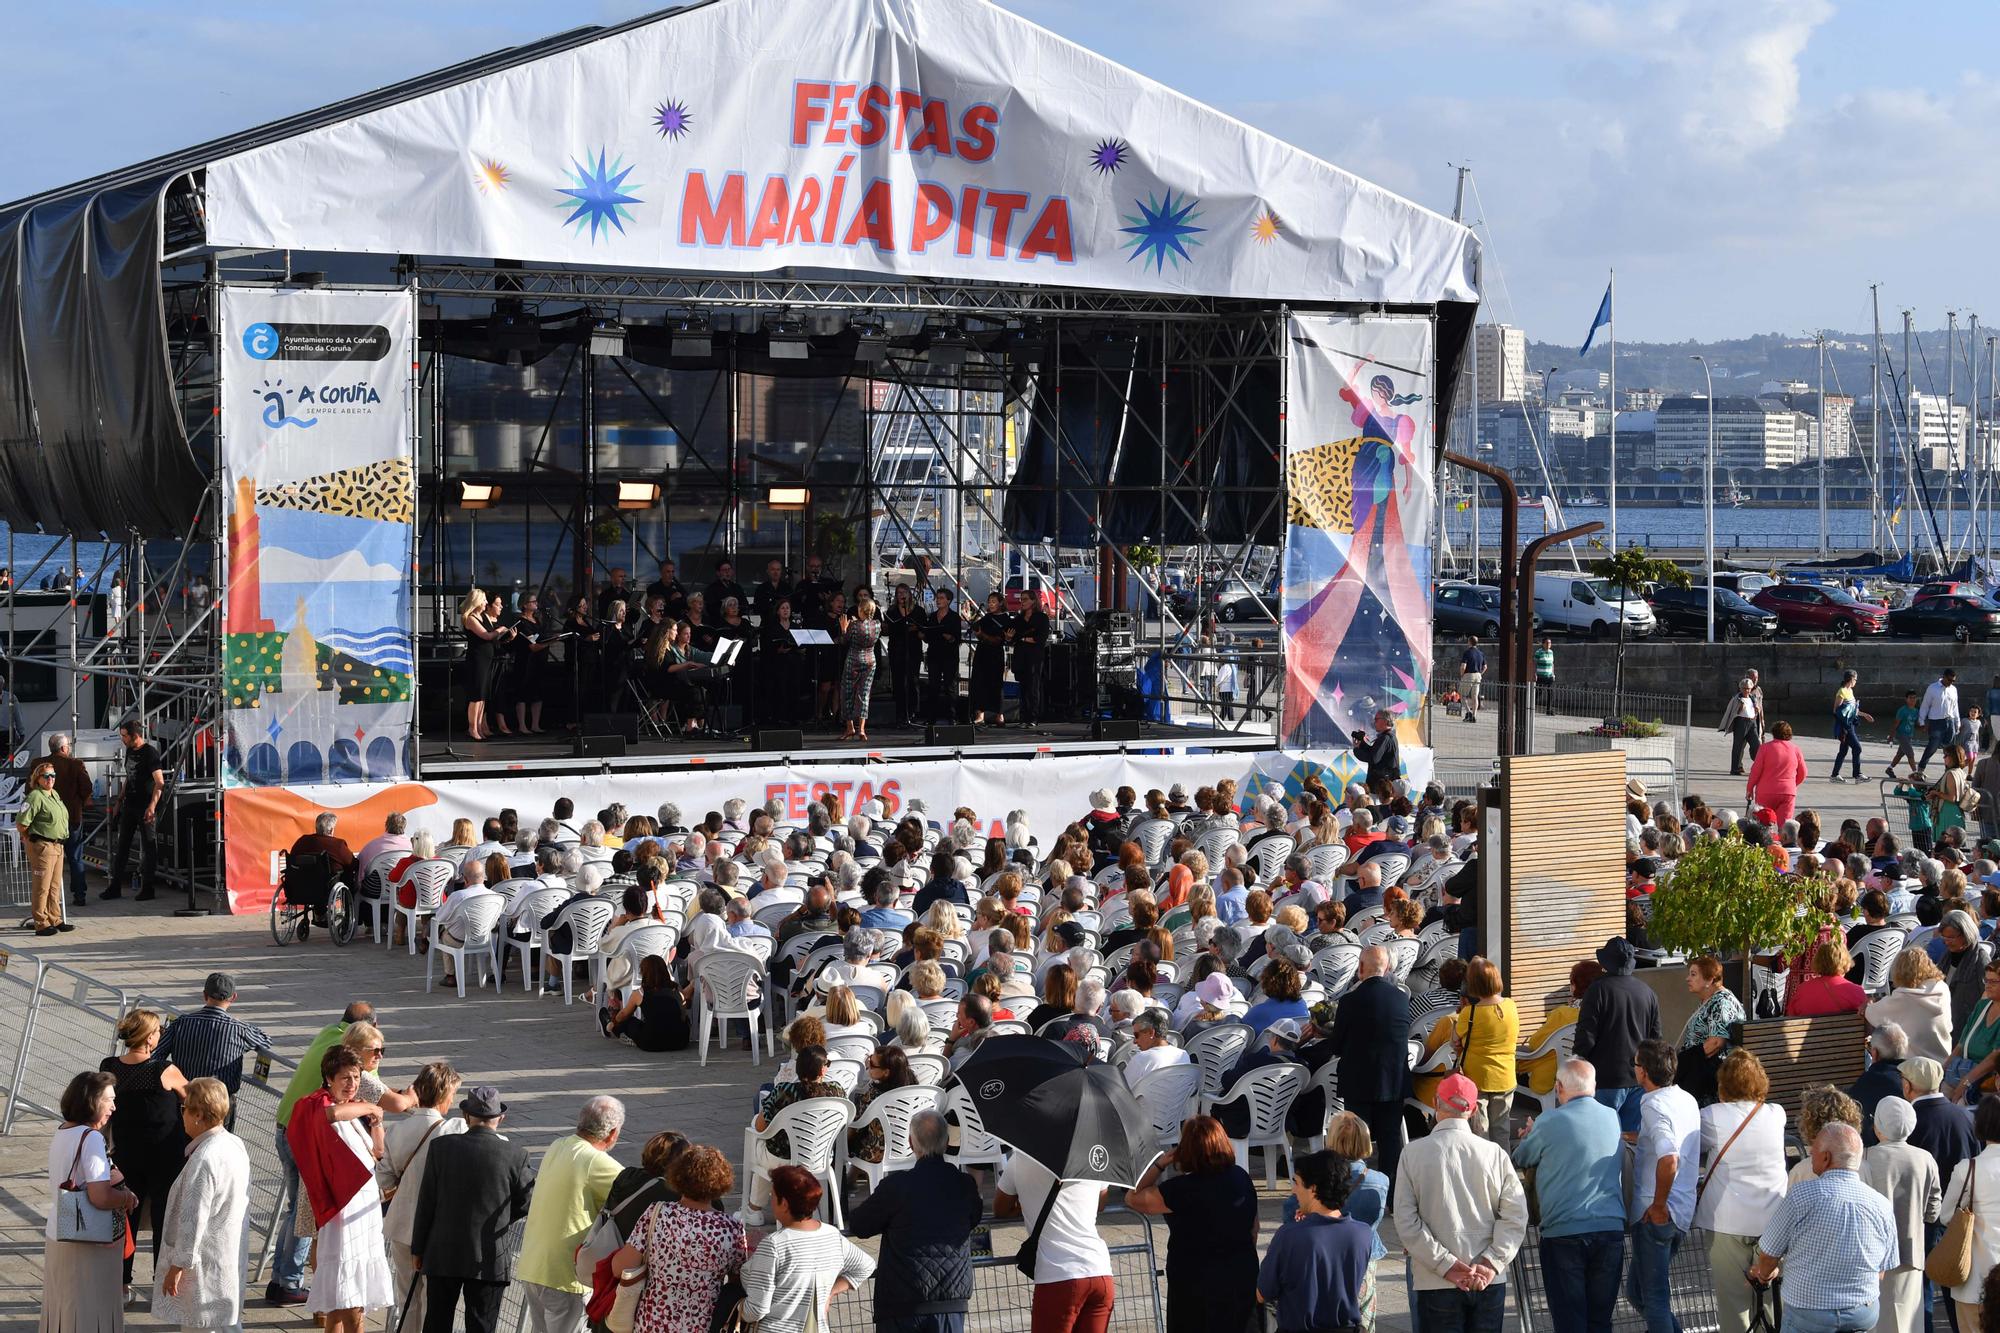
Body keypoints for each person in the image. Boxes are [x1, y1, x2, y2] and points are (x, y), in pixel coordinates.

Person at [1393, 1071, 1529, 1330]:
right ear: (1474, 1109)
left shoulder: (1412, 1153)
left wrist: (1446, 1264)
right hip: (1487, 1279)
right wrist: (1490, 1262)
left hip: (1435, 1280)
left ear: (1435, 1103)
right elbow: (1516, 1215)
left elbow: (1405, 1221)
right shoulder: (1495, 1154)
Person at [267, 1001, 373, 1305]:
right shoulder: (354, 1069)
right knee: (305, 1212)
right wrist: (373, 1106)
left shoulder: (328, 1032)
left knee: (294, 1209)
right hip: (302, 1138)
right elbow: (394, 1102)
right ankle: (288, 1281)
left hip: (285, 1127)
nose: (377, 1056)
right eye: (376, 1050)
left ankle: (280, 1279)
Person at [1750, 1123, 1898, 1332]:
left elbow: (1768, 1255)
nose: (1811, 1154)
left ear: (1826, 1157)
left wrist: (1764, 1275)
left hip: (1810, 1311)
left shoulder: (1801, 1196)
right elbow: (1881, 1270)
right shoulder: (1881, 1204)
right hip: (1862, 1311)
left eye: (1814, 1150)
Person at [1512, 1059, 1626, 1333]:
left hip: (1564, 1231)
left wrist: (1530, 1134)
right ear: (1594, 1086)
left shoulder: (1550, 1120)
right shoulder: (1612, 1116)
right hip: (1610, 1228)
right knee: (1600, 1320)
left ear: (1559, 1087)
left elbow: (1520, 1156)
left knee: (1570, 1321)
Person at [287, 1045, 395, 1332]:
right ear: (329, 1079)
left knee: (340, 1299)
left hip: (363, 1210)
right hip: (344, 1213)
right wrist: (371, 1106)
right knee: (348, 1291)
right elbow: (330, 1114)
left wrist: (377, 1123)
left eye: (357, 1077)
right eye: (346, 1078)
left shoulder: (353, 1110)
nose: (353, 1084)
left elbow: (378, 1152)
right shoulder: (316, 1103)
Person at [846, 1108, 979, 1333]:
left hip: (902, 1301)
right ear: (946, 1142)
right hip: (951, 1299)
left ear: (911, 1142)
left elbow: (860, 1224)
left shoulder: (897, 1186)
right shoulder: (964, 1185)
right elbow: (973, 1218)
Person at [1124, 1114, 1259, 1333]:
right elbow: (1254, 1228)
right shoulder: (1241, 1177)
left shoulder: (1180, 1189)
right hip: (1240, 1273)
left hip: (1194, 1280)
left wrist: (1161, 1163)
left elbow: (1132, 1197)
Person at [608, 1145, 749, 1333]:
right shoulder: (731, 1228)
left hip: (652, 1324)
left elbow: (620, 1267)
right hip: (703, 1326)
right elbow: (738, 1282)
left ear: (677, 1177)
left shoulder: (657, 1213)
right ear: (721, 1183)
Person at [1695, 1049, 1788, 1333]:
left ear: (1723, 1084)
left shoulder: (1710, 1117)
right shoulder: (1776, 1113)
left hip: (1726, 1221)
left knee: (1733, 1303)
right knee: (1772, 1300)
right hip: (1774, 1219)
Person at [98, 1009, 188, 1295]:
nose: (160, 1034)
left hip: (126, 1153)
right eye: (158, 1031)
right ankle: (163, 1283)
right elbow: (195, 1099)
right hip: (166, 1156)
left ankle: (121, 1283)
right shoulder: (164, 1070)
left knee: (126, 1217)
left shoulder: (109, 1066)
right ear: (150, 1037)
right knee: (164, 1219)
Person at [519, 1096, 627, 1333]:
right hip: (563, 1274)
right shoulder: (596, 1161)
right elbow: (633, 1189)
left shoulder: (559, 1144)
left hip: (533, 1264)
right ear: (612, 1133)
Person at [151, 1077, 250, 1333]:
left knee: (204, 1326)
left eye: (184, 1109)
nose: (181, 1115)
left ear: (197, 1114)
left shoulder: (205, 1158)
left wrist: (178, 1265)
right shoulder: (233, 1144)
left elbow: (193, 1216)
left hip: (204, 1262)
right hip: (224, 1254)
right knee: (225, 1324)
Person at [43, 1070, 139, 1333]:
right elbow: (100, 1196)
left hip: (59, 1231)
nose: (114, 1107)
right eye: (109, 1100)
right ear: (92, 1101)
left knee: (64, 1311)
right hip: (88, 1239)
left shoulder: (63, 1131)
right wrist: (126, 1198)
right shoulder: (92, 1138)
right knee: (91, 1314)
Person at [380, 1062, 466, 1331]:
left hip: (401, 1223)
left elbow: (382, 1178)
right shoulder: (454, 1130)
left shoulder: (397, 1130)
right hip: (435, 1229)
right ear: (444, 1096)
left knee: (407, 1296)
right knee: (433, 1299)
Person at [740, 1164, 876, 1333]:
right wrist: (830, 1293)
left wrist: (736, 1307)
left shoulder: (774, 1245)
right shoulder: (832, 1235)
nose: (770, 1199)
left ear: (784, 1204)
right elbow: (866, 1265)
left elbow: (756, 1310)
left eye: (773, 1195)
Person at [995, 1147, 1113, 1333]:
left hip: (1058, 1274)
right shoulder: (1092, 1155)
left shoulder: (1021, 1159)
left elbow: (1000, 1208)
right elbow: (1101, 1203)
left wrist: (1023, 1205)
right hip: (1100, 1271)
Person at [1256, 1148, 1372, 1333]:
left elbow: (1262, 1294)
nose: (1293, 1189)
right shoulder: (1363, 1234)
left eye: (1297, 1183)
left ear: (1314, 1188)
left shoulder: (1289, 1235)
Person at [1627, 1039, 1699, 1333]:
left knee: (1653, 1298)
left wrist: (1658, 1205)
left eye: (1635, 1064)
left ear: (1643, 1072)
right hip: (1680, 1210)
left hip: (1656, 1213)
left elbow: (1668, 1156)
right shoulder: (1686, 1099)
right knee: (1637, 1292)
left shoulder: (1653, 1104)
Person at [1323, 944, 1411, 1186]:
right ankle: (1391, 1191)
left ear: (1361, 968)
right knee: (1390, 1140)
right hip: (1394, 1080)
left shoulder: (1350, 1001)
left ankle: (1354, 1189)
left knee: (1354, 1140)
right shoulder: (1402, 998)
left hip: (1359, 1082)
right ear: (1387, 969)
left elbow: (1336, 1046)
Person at [1862, 1096, 1941, 1333]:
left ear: (1879, 1126)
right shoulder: (1924, 1158)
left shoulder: (1865, 1158)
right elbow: (1933, 1209)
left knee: (1877, 1321)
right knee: (1908, 1322)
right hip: (1911, 1249)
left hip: (1872, 1255)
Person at [153, 972, 271, 1121]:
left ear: (204, 995)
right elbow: (266, 1041)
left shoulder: (181, 1022)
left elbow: (157, 1056)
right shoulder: (239, 1029)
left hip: (183, 1099)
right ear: (233, 997)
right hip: (219, 1103)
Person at [1573, 937, 1662, 1133]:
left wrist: (1577, 1061)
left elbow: (1586, 1034)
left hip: (1605, 1078)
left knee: (1603, 1139)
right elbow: (1656, 1039)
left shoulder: (1597, 990)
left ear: (1606, 963)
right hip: (1639, 1078)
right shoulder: (1647, 992)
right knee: (1631, 1142)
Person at [99, 718, 164, 902]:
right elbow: (129, 776)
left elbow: (159, 782)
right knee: (122, 846)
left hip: (145, 805)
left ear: (134, 736)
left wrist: (152, 806)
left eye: (124, 735)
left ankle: (148, 887)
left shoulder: (150, 753)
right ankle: (115, 886)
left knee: (149, 846)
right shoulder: (129, 751)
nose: (122, 739)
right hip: (130, 804)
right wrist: (120, 799)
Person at [1672, 955, 1744, 1105]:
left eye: (1693, 974)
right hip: (1701, 1071)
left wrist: (1683, 1061)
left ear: (1710, 979)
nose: (1687, 979)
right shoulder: (1709, 1000)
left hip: (1711, 1078)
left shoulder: (1721, 1002)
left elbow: (1716, 1042)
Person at [1868, 948, 1956, 1067]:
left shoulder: (1902, 997)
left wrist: (1869, 1004)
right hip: (1942, 1062)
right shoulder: (1942, 988)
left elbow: (1871, 1014)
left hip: (1913, 1068)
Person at [37, 732, 93, 908]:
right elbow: (87, 787)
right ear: (63, 748)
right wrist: (82, 800)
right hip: (71, 817)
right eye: (68, 745)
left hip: (45, 821)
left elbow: (29, 789)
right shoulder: (75, 764)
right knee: (75, 857)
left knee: (47, 860)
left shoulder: (38, 765)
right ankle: (79, 895)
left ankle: (46, 898)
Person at [17, 760, 71, 935]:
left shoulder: (54, 794)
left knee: (54, 886)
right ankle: (40, 922)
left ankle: (54, 918)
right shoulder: (35, 796)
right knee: (42, 886)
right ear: (38, 778)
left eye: (53, 776)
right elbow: (22, 823)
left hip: (57, 845)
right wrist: (30, 840)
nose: (50, 779)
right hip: (43, 846)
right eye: (46, 776)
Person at [599, 955, 691, 1052]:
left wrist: (615, 1021)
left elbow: (623, 1015)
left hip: (651, 1042)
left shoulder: (641, 992)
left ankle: (610, 1026)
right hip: (680, 1041)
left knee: (628, 1020)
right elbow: (683, 1014)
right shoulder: (677, 989)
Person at [839, 588, 882, 742]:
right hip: (870, 660)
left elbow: (845, 641)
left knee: (847, 692)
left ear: (861, 610)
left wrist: (844, 629)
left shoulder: (854, 625)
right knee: (864, 694)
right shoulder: (877, 624)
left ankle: (850, 727)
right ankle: (862, 729)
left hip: (854, 660)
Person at [1745, 720, 1807, 824]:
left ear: (1773, 733)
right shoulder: (1796, 749)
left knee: (1763, 823)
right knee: (1785, 825)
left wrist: (1749, 788)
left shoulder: (1765, 748)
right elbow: (1803, 772)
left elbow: (1755, 771)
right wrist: (1792, 784)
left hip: (1766, 792)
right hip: (1788, 792)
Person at [884, 585, 926, 728]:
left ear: (909, 594)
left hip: (913, 649)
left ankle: (913, 712)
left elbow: (923, 628)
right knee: (899, 682)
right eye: (898, 593)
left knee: (913, 681)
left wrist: (917, 629)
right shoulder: (892, 611)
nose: (901, 595)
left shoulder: (918, 611)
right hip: (897, 649)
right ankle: (900, 714)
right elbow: (890, 629)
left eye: (904, 592)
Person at [923, 588, 963, 724]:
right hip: (934, 655)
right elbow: (927, 636)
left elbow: (957, 639)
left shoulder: (954, 617)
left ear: (948, 601)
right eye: (937, 598)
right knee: (933, 686)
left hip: (949, 657)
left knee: (949, 687)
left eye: (941, 598)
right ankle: (931, 718)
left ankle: (952, 717)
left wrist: (950, 637)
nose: (938, 600)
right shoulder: (933, 616)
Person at [970, 592, 1011, 725]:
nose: (991, 604)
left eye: (993, 601)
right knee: (979, 682)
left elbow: (998, 640)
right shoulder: (987, 617)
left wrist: (982, 635)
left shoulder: (1006, 619)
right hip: (982, 653)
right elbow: (978, 632)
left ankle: (999, 714)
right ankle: (980, 714)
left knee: (996, 683)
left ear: (1000, 603)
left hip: (995, 654)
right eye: (989, 601)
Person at [1831, 670, 1875, 783]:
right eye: (1855, 679)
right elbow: (1836, 710)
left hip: (1850, 724)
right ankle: (1857, 775)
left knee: (1843, 751)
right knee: (1857, 748)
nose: (1856, 681)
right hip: (1845, 727)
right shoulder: (1841, 692)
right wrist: (1844, 727)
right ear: (1851, 679)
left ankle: (1834, 775)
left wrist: (1865, 715)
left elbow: (1852, 709)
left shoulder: (1850, 691)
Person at [1014, 595, 1050, 727]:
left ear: (1033, 601)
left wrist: (1023, 639)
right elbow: (1013, 635)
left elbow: (1040, 638)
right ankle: (1023, 717)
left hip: (1034, 656)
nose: (1022, 602)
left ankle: (1033, 717)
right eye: (1021, 599)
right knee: (1023, 687)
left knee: (1033, 687)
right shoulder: (1019, 619)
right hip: (1021, 655)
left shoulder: (1041, 618)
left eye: (1025, 599)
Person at [1920, 668, 1962, 776]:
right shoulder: (1932, 688)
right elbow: (1925, 705)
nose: (1951, 683)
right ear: (1943, 677)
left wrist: (1957, 722)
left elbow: (1955, 707)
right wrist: (1921, 720)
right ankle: (1920, 769)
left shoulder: (1953, 689)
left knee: (1950, 750)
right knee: (1932, 747)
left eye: (1953, 681)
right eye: (1949, 680)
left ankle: (1949, 771)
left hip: (1950, 721)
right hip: (1936, 722)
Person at [1718, 678, 1762, 777]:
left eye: (1749, 688)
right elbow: (1732, 712)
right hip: (1740, 722)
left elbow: (1756, 710)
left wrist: (1757, 710)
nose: (1747, 690)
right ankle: (1734, 769)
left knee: (1757, 745)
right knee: (1737, 746)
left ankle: (1759, 766)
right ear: (1741, 688)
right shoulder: (1737, 698)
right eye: (1745, 688)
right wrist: (1740, 708)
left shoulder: (1752, 697)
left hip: (1752, 723)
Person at [1350, 709, 1400, 790]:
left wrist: (1356, 750)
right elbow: (1375, 752)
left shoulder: (1385, 738)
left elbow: (1373, 758)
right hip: (1383, 784)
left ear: (1385, 721)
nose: (1374, 722)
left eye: (1376, 719)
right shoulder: (1388, 736)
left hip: (1381, 786)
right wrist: (1362, 744)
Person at [1459, 636, 1487, 723]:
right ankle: (1474, 715)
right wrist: (1480, 674)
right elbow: (1485, 667)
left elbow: (1463, 666)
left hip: (1468, 674)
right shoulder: (1481, 653)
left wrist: (1462, 674)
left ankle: (1468, 712)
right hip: (1478, 675)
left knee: (1462, 695)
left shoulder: (1467, 652)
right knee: (1475, 697)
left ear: (1469, 642)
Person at [1534, 636, 1556, 712]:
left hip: (1549, 676)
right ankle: (1532, 708)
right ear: (1543, 644)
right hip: (1540, 676)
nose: (1548, 644)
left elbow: (1552, 663)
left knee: (1550, 693)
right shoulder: (1538, 652)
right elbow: (1534, 663)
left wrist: (1553, 674)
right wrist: (1535, 674)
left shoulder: (1551, 652)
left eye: (1550, 643)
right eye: (1547, 643)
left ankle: (1549, 709)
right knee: (1538, 692)